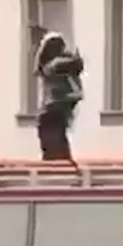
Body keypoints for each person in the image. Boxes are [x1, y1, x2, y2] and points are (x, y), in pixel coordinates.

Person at [32, 25, 84, 161]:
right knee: (56, 153)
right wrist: (74, 58)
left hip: (54, 114)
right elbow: (67, 64)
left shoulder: (52, 67)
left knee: (57, 152)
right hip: (51, 114)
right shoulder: (52, 66)